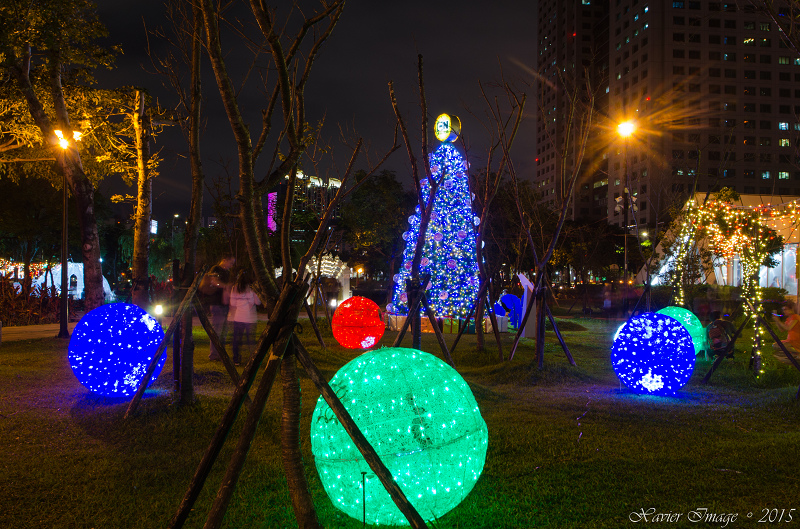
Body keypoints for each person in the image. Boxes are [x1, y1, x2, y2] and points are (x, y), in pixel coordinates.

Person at [199, 255, 235, 360]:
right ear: (224, 260)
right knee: (218, 330)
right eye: (231, 263)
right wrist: (225, 286)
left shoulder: (227, 273)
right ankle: (214, 355)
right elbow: (213, 281)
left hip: (224, 304)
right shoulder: (216, 269)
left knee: (224, 331)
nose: (231, 266)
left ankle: (220, 354)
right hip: (216, 304)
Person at [228, 268, 261, 366]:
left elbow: (232, 303)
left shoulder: (235, 288)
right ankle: (253, 360)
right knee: (251, 341)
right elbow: (258, 302)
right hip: (250, 318)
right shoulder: (252, 289)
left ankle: (236, 359)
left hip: (238, 318)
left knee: (237, 340)